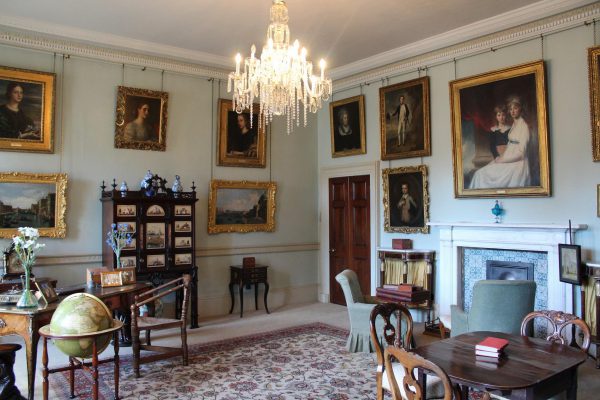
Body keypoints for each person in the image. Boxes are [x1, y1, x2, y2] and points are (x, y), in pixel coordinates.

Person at [469, 96, 531, 189]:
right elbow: (510, 146)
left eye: (515, 108)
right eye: (510, 109)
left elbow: (521, 154)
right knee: (479, 173)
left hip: (517, 164)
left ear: (520, 109)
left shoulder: (524, 126)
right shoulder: (515, 124)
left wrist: (503, 160)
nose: (512, 111)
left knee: (480, 175)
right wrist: (499, 159)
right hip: (508, 158)